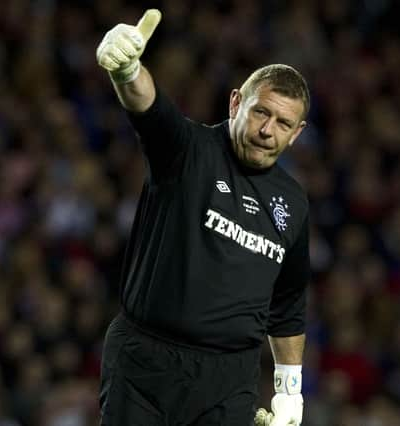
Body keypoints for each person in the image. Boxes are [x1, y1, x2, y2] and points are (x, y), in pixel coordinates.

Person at [96, 9, 310, 426]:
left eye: (283, 123)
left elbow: (287, 306)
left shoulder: (294, 204)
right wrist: (126, 70)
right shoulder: (187, 151)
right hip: (146, 364)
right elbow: (149, 107)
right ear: (236, 103)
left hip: (229, 381)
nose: (268, 130)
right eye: (260, 112)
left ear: (297, 133)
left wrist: (290, 391)